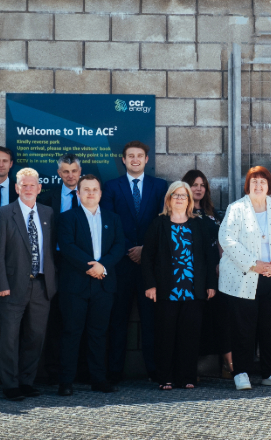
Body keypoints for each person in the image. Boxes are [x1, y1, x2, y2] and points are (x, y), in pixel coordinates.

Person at [220, 166, 271, 390]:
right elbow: (227, 240)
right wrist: (254, 264)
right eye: (254, 181)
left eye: (262, 182)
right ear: (247, 185)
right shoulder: (236, 208)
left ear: (269, 186)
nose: (258, 185)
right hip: (244, 277)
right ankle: (241, 372)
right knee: (242, 328)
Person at [101, 140, 168, 383]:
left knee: (151, 320)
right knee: (118, 319)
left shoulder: (160, 186)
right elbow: (109, 222)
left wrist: (145, 249)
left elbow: (162, 221)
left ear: (147, 159)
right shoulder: (111, 187)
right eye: (131, 156)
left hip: (150, 265)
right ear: (124, 160)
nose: (135, 159)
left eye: (140, 155)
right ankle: (114, 371)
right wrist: (130, 249)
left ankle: (154, 370)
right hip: (121, 263)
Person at [0, 167, 57, 401]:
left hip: (41, 286)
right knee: (9, 337)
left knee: (35, 336)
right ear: (16, 188)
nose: (28, 189)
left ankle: (27, 381)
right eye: (24, 185)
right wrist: (1, 284)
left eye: (32, 185)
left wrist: (52, 283)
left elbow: (51, 250)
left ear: (39, 188)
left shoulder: (48, 213)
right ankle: (10, 384)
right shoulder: (3, 214)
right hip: (11, 286)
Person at [142, 181, 218, 390]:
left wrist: (210, 284)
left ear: (189, 200)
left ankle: (187, 377)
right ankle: (165, 378)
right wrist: (150, 285)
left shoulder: (198, 224)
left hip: (193, 290)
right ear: (168, 199)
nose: (179, 198)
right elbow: (147, 257)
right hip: (166, 290)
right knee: (165, 335)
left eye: (183, 195)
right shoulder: (158, 224)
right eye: (175, 195)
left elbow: (209, 256)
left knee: (190, 336)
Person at [57, 174, 125, 396]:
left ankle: (98, 379)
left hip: (103, 285)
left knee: (98, 334)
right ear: (78, 193)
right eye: (86, 189)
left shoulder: (113, 218)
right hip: (75, 285)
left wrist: (102, 266)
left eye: (95, 189)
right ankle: (66, 381)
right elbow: (67, 246)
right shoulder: (68, 218)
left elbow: (119, 246)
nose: (91, 193)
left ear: (101, 193)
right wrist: (92, 266)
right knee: (71, 333)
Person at [180, 170, 231, 378]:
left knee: (223, 320)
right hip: (193, 276)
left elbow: (224, 241)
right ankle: (191, 369)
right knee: (194, 323)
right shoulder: (182, 214)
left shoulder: (215, 214)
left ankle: (229, 366)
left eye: (202, 185)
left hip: (218, 275)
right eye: (194, 184)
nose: (199, 188)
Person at [38, 153, 83, 385]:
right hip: (55, 263)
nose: (70, 175)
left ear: (80, 172)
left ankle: (82, 371)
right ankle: (54, 371)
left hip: (83, 264)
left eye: (74, 171)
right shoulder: (47, 199)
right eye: (65, 171)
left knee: (81, 318)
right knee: (55, 319)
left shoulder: (91, 195)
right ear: (59, 174)